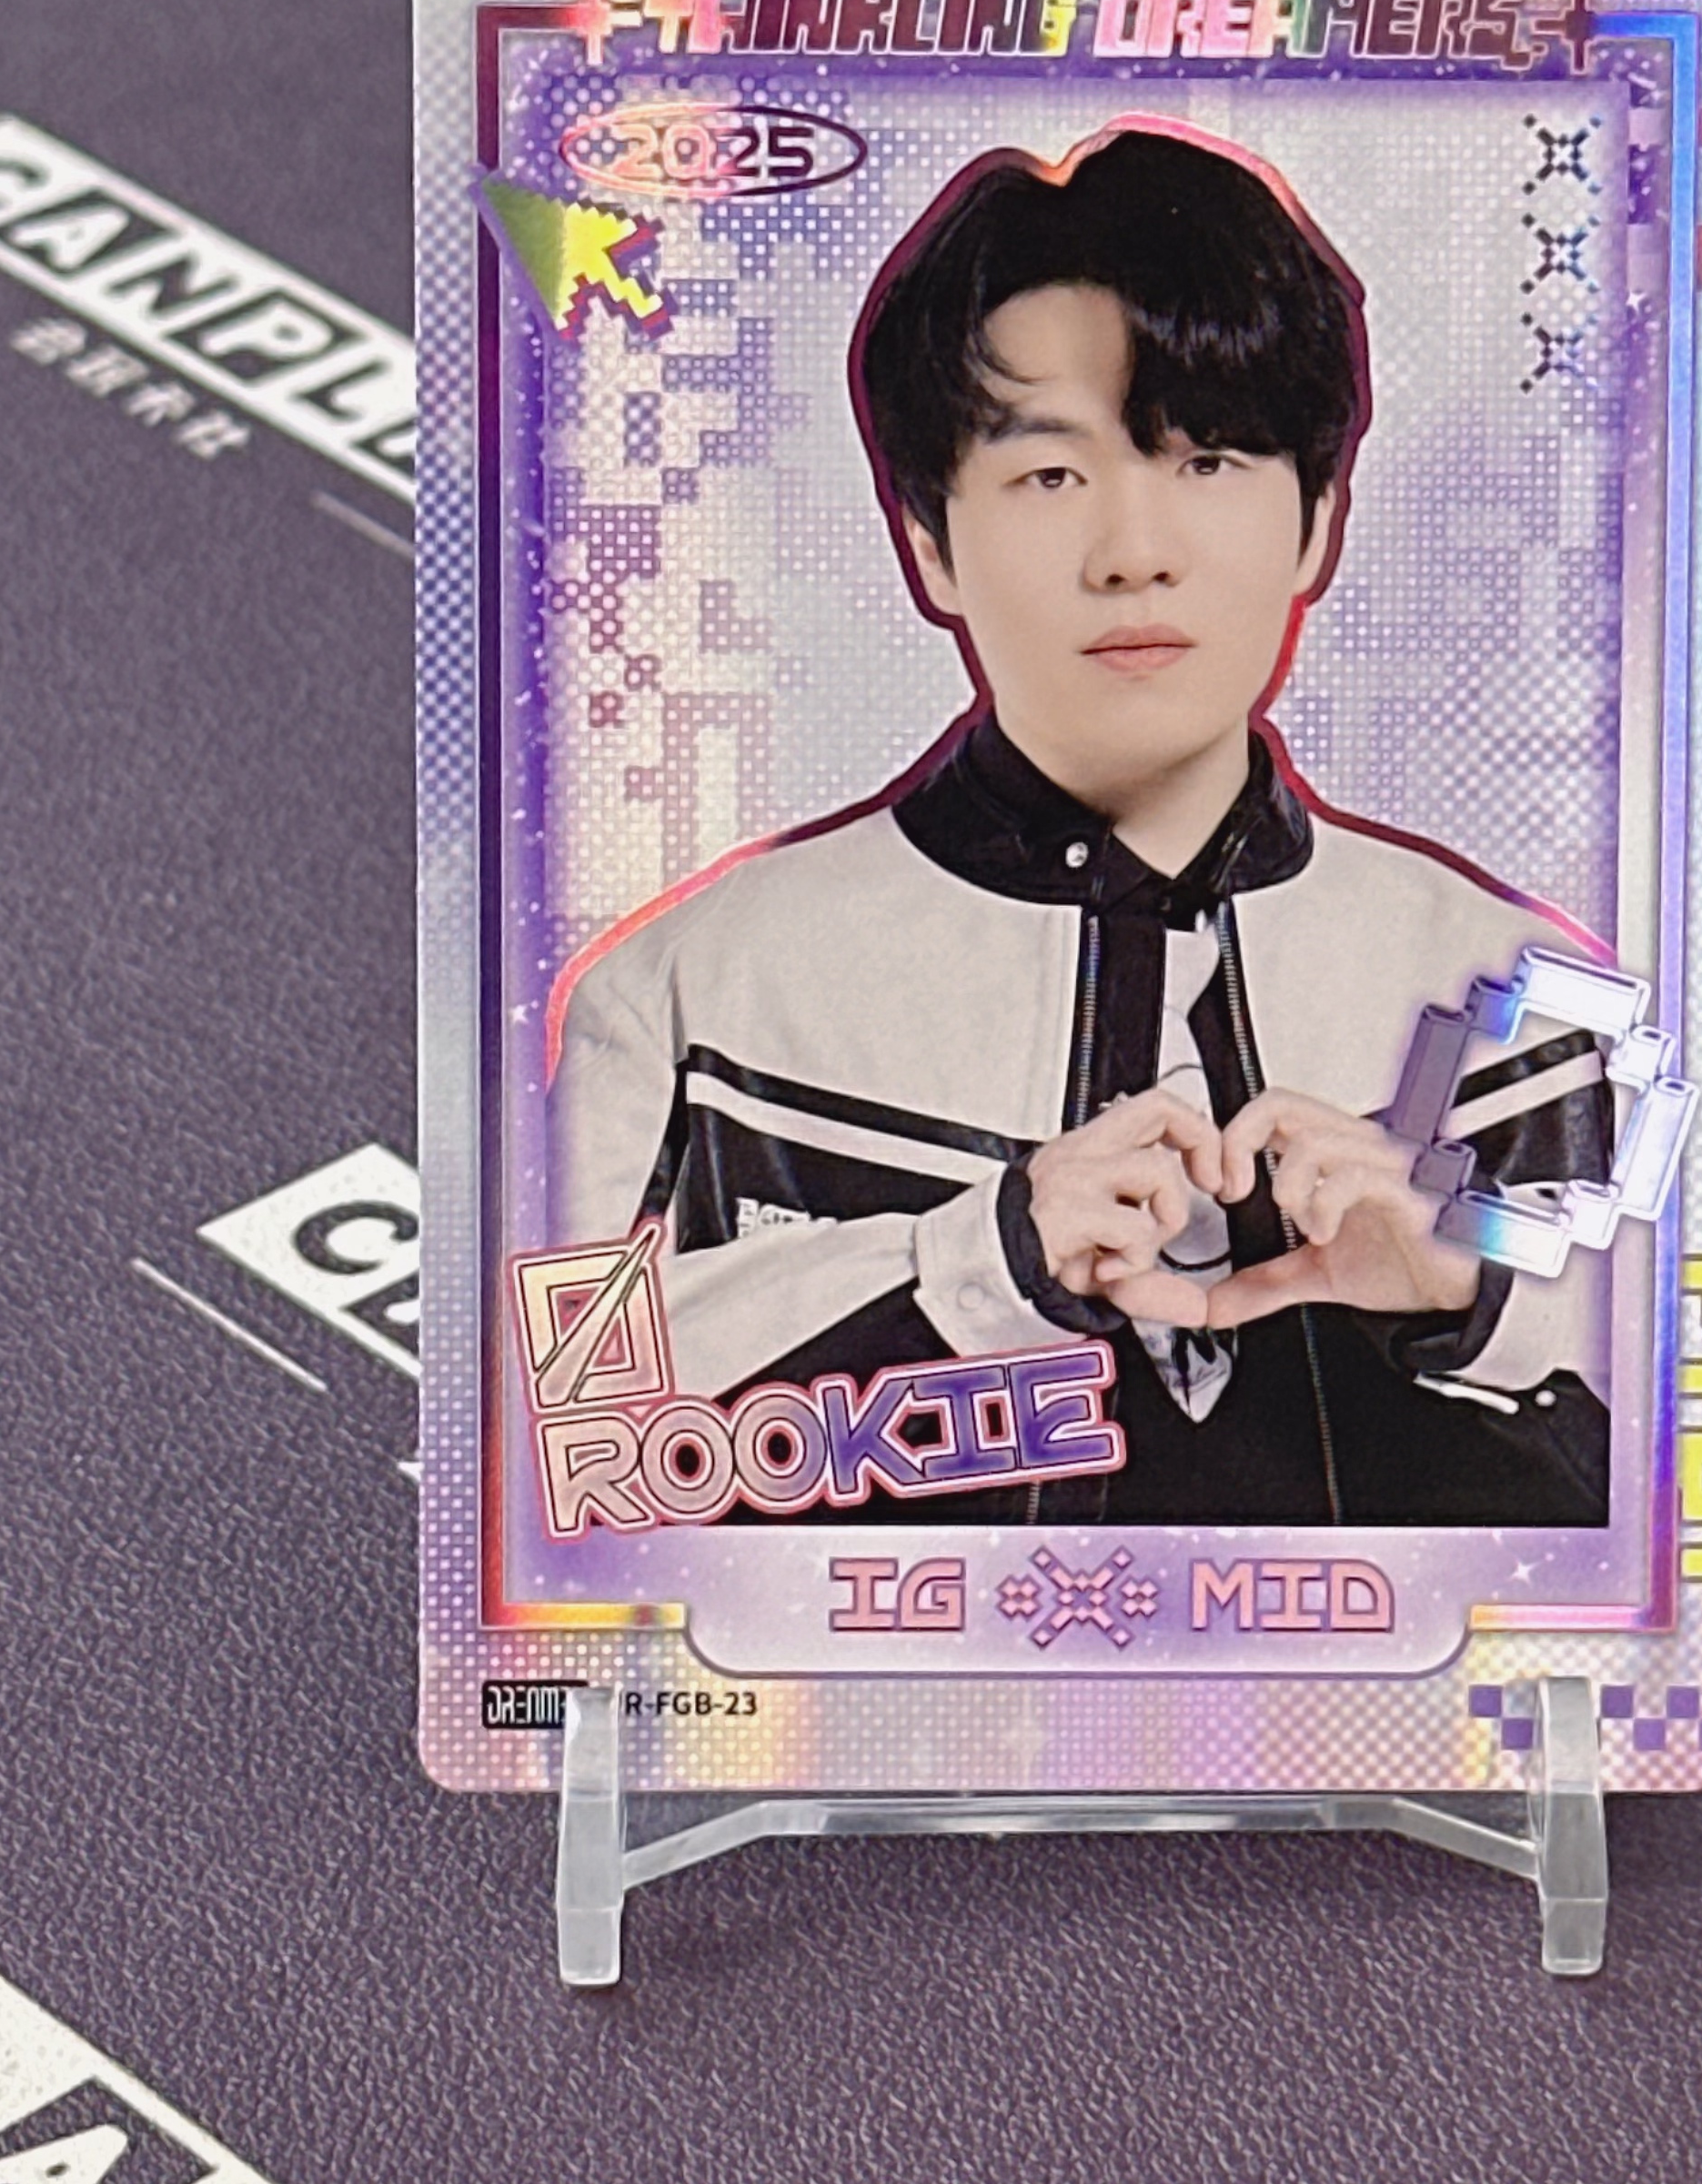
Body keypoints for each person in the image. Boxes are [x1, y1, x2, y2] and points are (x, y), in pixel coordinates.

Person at [547, 124, 1614, 1526]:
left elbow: (1694, 1477)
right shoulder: (697, 994)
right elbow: (551, 1450)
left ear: (1317, 521)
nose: (1134, 553)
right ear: (929, 541)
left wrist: (1471, 1292)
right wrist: (976, 1262)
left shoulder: (1525, 1007)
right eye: (1050, 476)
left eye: (1208, 459)